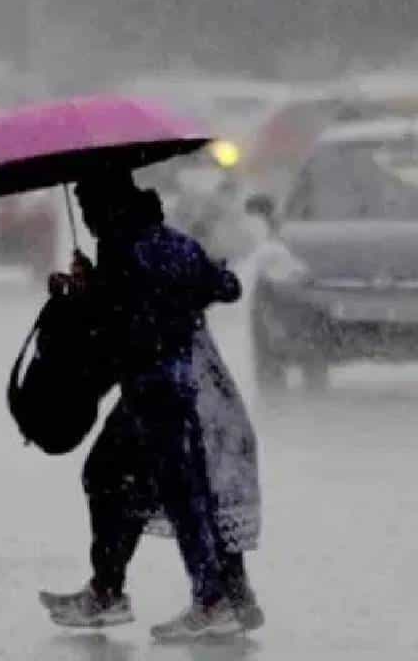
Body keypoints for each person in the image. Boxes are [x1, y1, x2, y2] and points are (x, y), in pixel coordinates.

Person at [37, 171, 263, 640]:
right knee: (150, 484)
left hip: (160, 391)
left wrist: (82, 294)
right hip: (188, 387)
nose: (85, 218)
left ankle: (210, 599)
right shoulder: (166, 242)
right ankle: (214, 594)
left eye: (88, 208)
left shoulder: (127, 248)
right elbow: (226, 287)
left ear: (107, 206)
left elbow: (117, 321)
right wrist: (190, 282)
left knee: (172, 491)